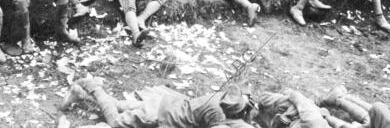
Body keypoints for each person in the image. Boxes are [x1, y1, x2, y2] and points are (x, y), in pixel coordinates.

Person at [65, 78, 255, 128]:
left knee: (117, 104)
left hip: (163, 103)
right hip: (158, 115)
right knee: (115, 122)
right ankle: (92, 87)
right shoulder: (217, 114)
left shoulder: (220, 95)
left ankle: (81, 95)